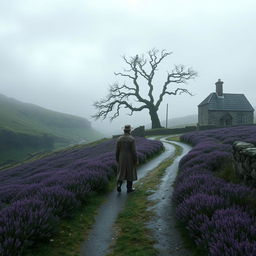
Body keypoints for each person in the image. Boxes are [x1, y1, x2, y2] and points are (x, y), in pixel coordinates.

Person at [115, 124, 138, 193]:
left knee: (121, 172)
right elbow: (134, 151)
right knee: (130, 172)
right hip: (130, 158)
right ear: (129, 131)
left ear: (124, 131)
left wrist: (117, 159)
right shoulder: (132, 139)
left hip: (121, 157)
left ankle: (119, 185)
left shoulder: (119, 139)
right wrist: (136, 160)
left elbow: (117, 151)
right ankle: (129, 189)